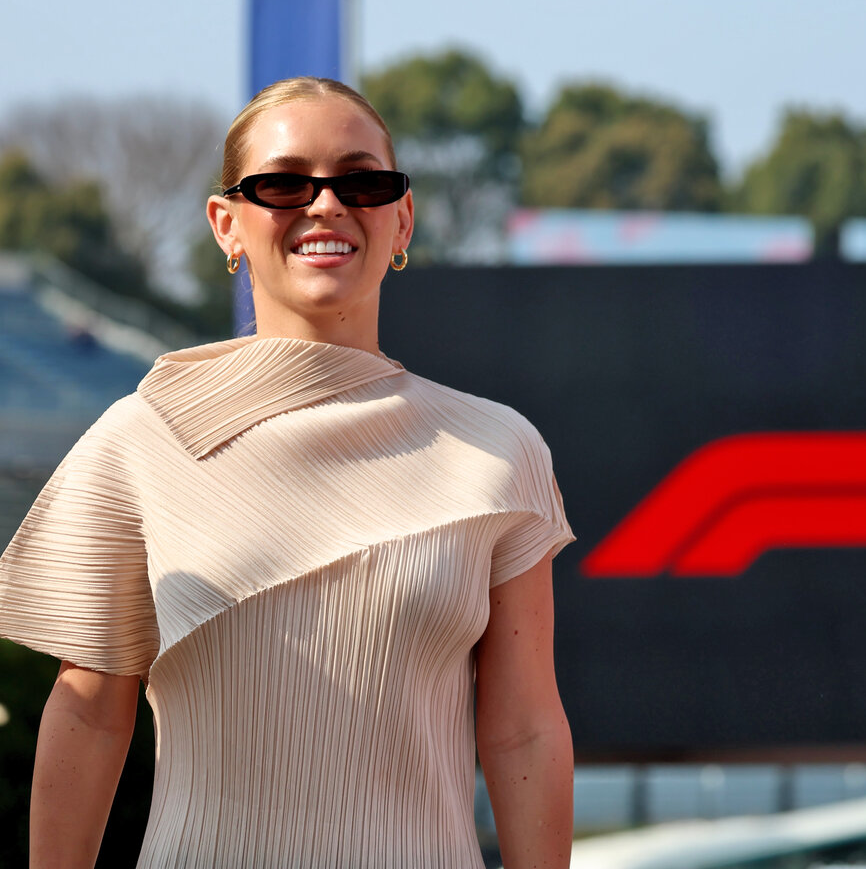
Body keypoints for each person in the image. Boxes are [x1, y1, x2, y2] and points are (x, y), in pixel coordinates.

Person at [0, 77, 574, 868]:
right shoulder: (141, 440)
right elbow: (92, 716)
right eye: (284, 182)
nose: (327, 205)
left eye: (361, 180)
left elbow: (524, 728)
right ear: (226, 224)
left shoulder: (499, 450)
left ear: (401, 218)